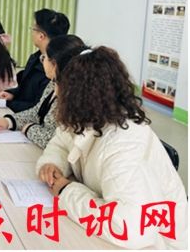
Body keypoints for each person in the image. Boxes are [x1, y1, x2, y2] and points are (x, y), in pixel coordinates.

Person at [36, 46, 188, 249]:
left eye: (59, 84)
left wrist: (66, 190)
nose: (56, 91)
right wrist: (53, 164)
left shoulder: (123, 142)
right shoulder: (89, 116)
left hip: (159, 245)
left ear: (79, 95)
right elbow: (61, 143)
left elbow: (132, 229)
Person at [0, 35, 86, 148]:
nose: (42, 61)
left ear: (55, 65)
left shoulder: (74, 96)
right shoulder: (54, 83)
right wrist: (8, 121)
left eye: (44, 57)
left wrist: (29, 129)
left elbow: (55, 140)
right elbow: (37, 112)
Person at [0, 8, 69, 112]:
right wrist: (13, 94)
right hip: (17, 112)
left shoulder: (54, 69)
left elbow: (38, 108)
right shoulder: (36, 57)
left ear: (41, 36)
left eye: (33, 29)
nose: (32, 32)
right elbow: (25, 88)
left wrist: (8, 103)